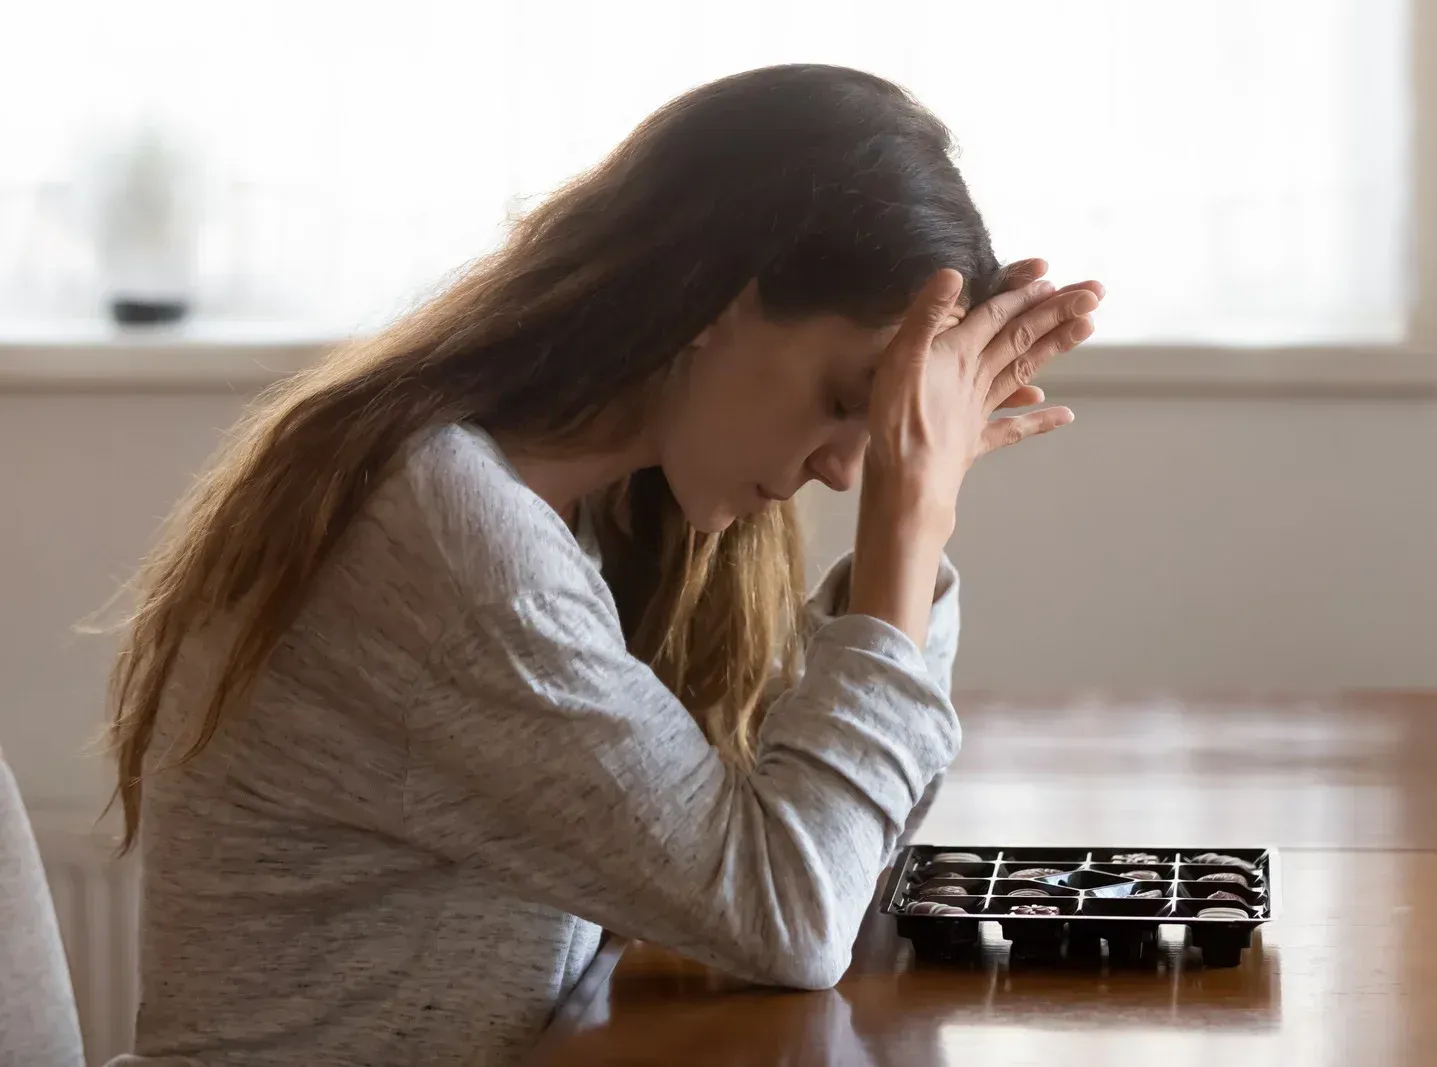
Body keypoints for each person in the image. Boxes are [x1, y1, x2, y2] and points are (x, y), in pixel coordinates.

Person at [102, 64, 1101, 1066]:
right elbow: (791, 910)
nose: (850, 470)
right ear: (713, 297)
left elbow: (830, 842)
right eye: (848, 397)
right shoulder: (442, 525)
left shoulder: (599, 507)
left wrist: (912, 540)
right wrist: (907, 528)